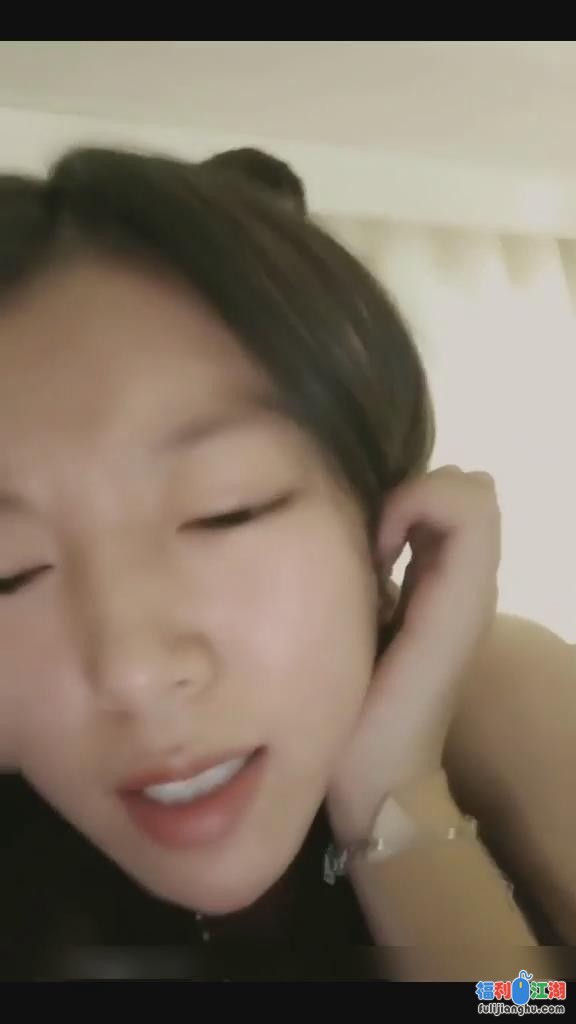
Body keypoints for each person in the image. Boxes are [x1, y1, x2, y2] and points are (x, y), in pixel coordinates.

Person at [0, 144, 570, 982]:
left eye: (224, 510)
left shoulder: (505, 698)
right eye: (10, 573)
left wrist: (394, 792)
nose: (135, 673)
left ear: (379, 519)